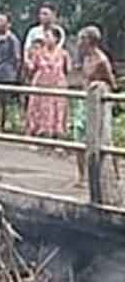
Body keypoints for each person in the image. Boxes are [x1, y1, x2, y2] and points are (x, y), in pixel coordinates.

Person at [72, 25, 118, 188]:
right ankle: (81, 176)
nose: (78, 42)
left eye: (81, 39)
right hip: (84, 101)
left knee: (102, 138)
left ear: (89, 41)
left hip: (97, 104)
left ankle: (112, 173)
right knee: (78, 135)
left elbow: (112, 83)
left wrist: (99, 85)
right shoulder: (85, 58)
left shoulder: (101, 60)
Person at [24, 27, 69, 139]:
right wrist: (27, 61)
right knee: (39, 108)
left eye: (49, 36)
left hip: (57, 84)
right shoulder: (39, 52)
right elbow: (32, 67)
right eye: (45, 36)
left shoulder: (63, 54)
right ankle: (38, 132)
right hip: (41, 83)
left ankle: (57, 133)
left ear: (56, 39)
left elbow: (67, 69)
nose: (46, 39)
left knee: (57, 108)